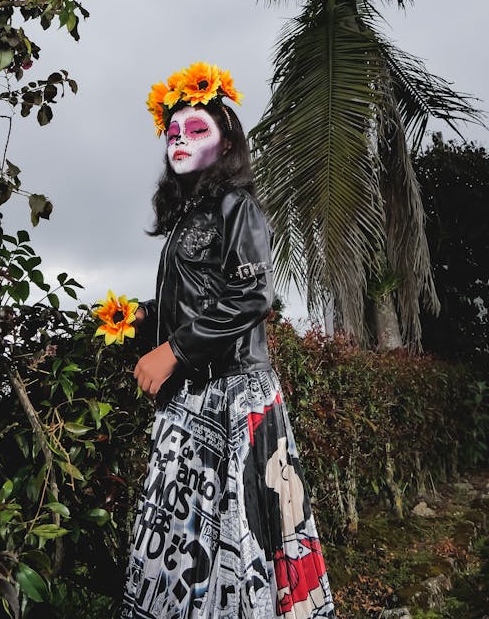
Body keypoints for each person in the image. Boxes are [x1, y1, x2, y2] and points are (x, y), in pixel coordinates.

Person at [121, 62, 336, 619]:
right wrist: (138, 318)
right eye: (174, 133)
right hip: (190, 397)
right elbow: (199, 299)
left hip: (233, 397)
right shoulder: (185, 218)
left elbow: (250, 298)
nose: (181, 140)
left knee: (244, 542)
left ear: (227, 143)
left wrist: (172, 351)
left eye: (198, 130)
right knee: (183, 542)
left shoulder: (236, 207)